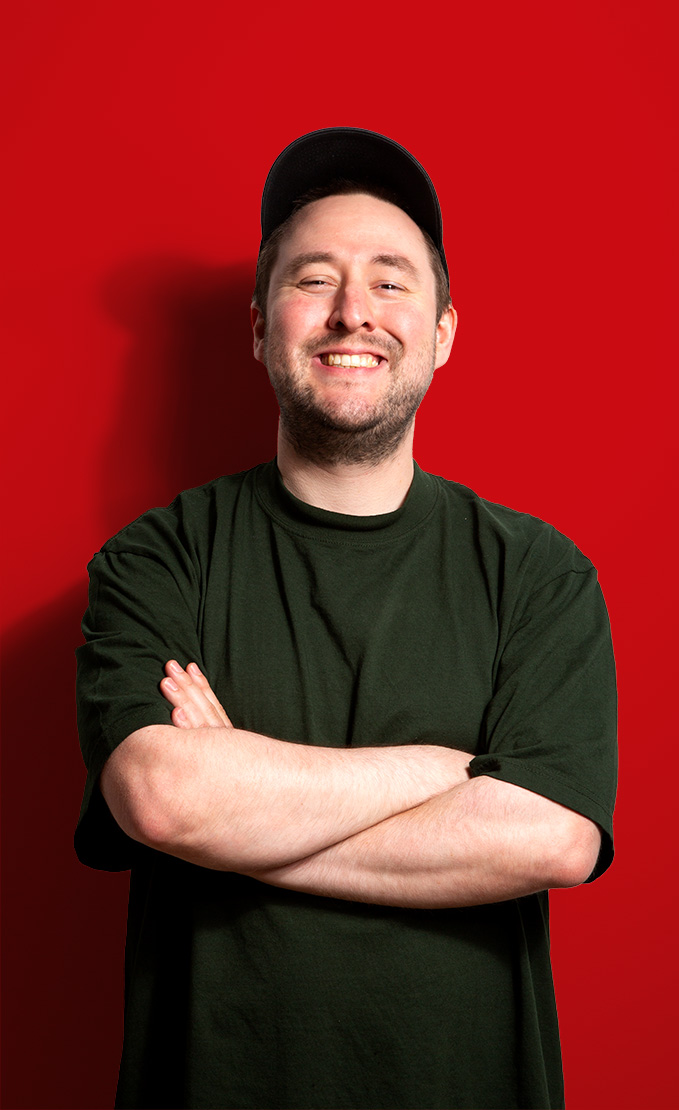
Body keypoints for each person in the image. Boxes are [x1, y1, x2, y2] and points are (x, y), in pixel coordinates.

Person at [75, 127, 618, 1110]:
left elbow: (551, 839)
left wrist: (242, 801)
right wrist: (447, 772)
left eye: (390, 280)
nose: (350, 313)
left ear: (444, 330)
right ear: (257, 326)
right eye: (311, 278)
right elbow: (163, 801)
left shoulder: (537, 574)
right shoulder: (157, 560)